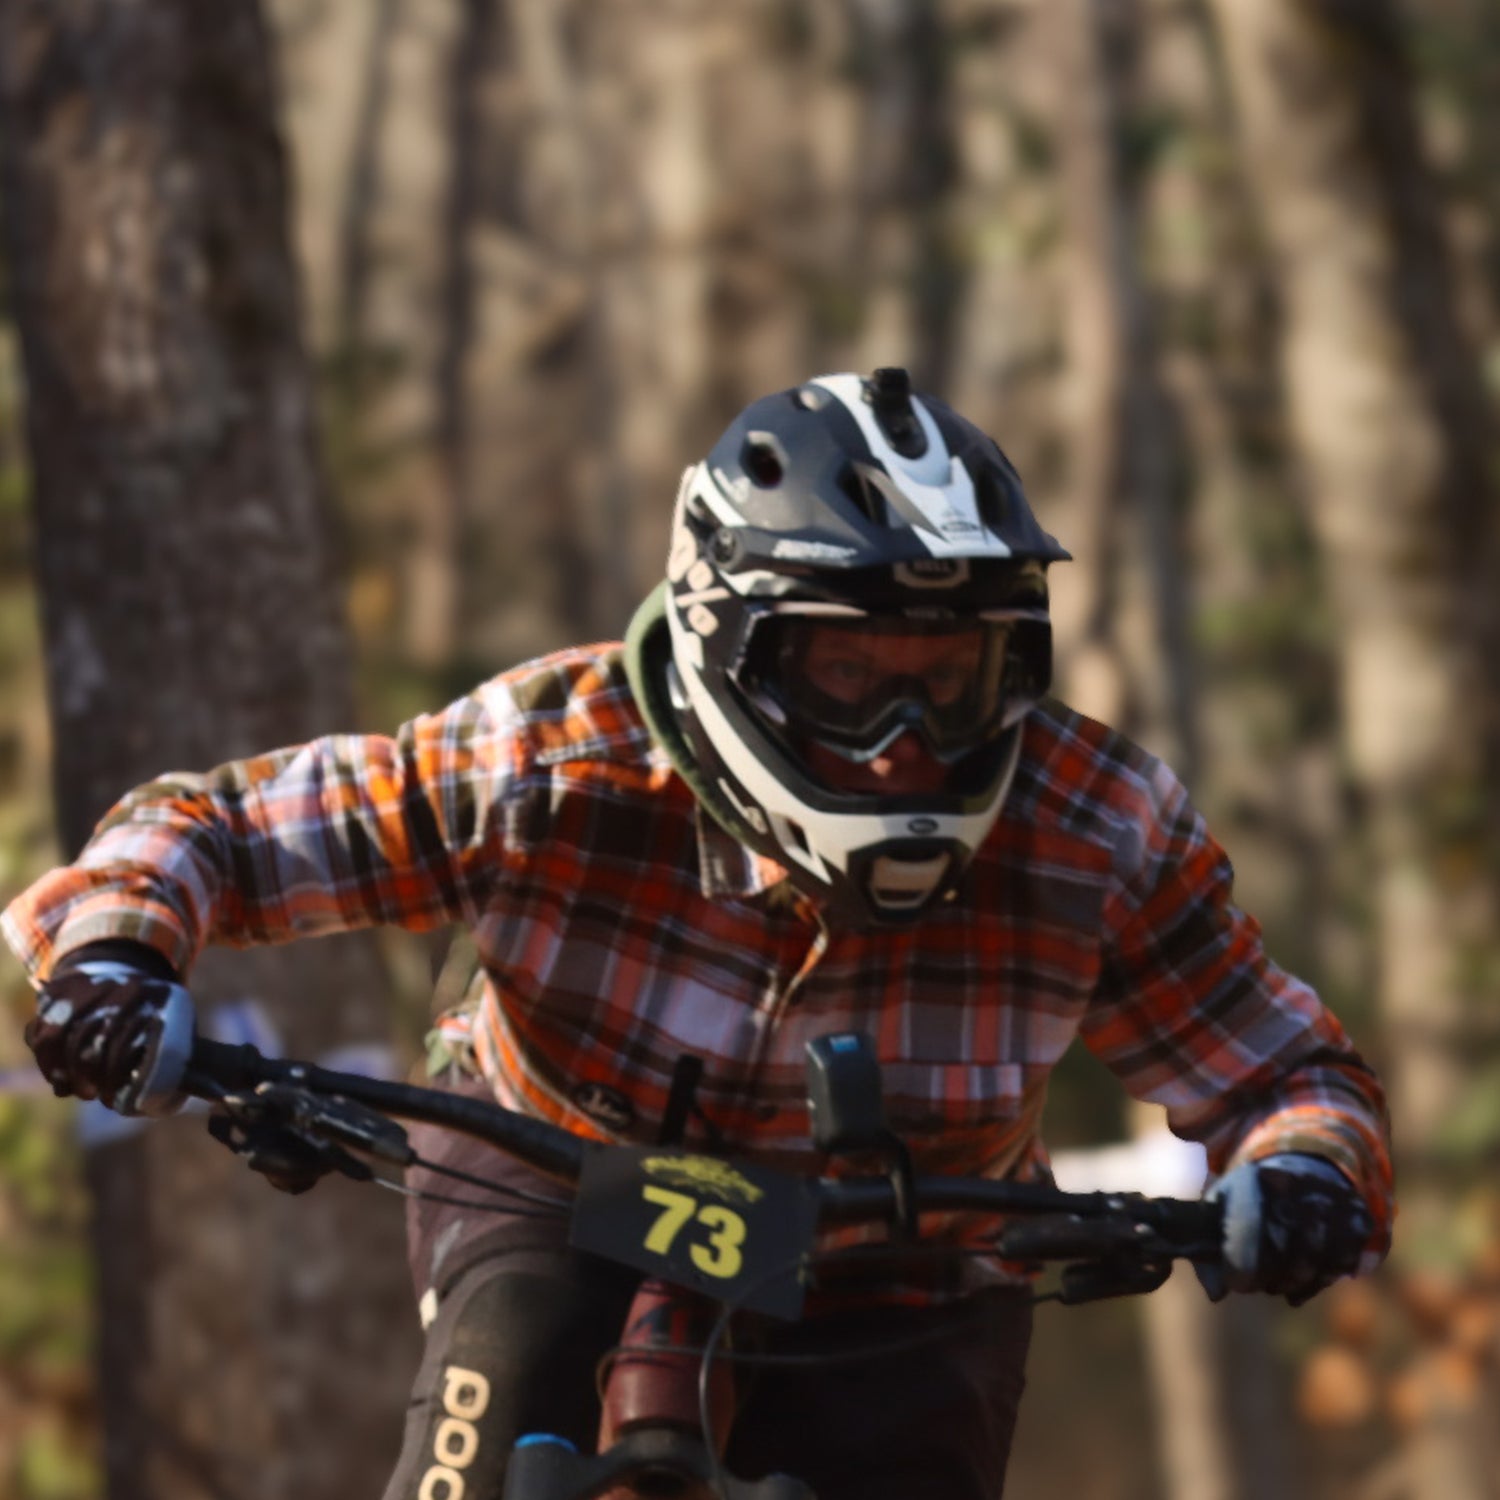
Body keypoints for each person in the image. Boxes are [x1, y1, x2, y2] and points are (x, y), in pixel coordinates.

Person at [6, 368, 1391, 1500]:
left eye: (952, 680)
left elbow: (1290, 1075)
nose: (907, 743)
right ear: (727, 645)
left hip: (904, 1254)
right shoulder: (552, 759)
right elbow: (213, 825)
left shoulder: (1095, 828)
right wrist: (118, 955)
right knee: (491, 1427)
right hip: (555, 1171)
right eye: (848, 672)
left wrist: (1306, 1175)